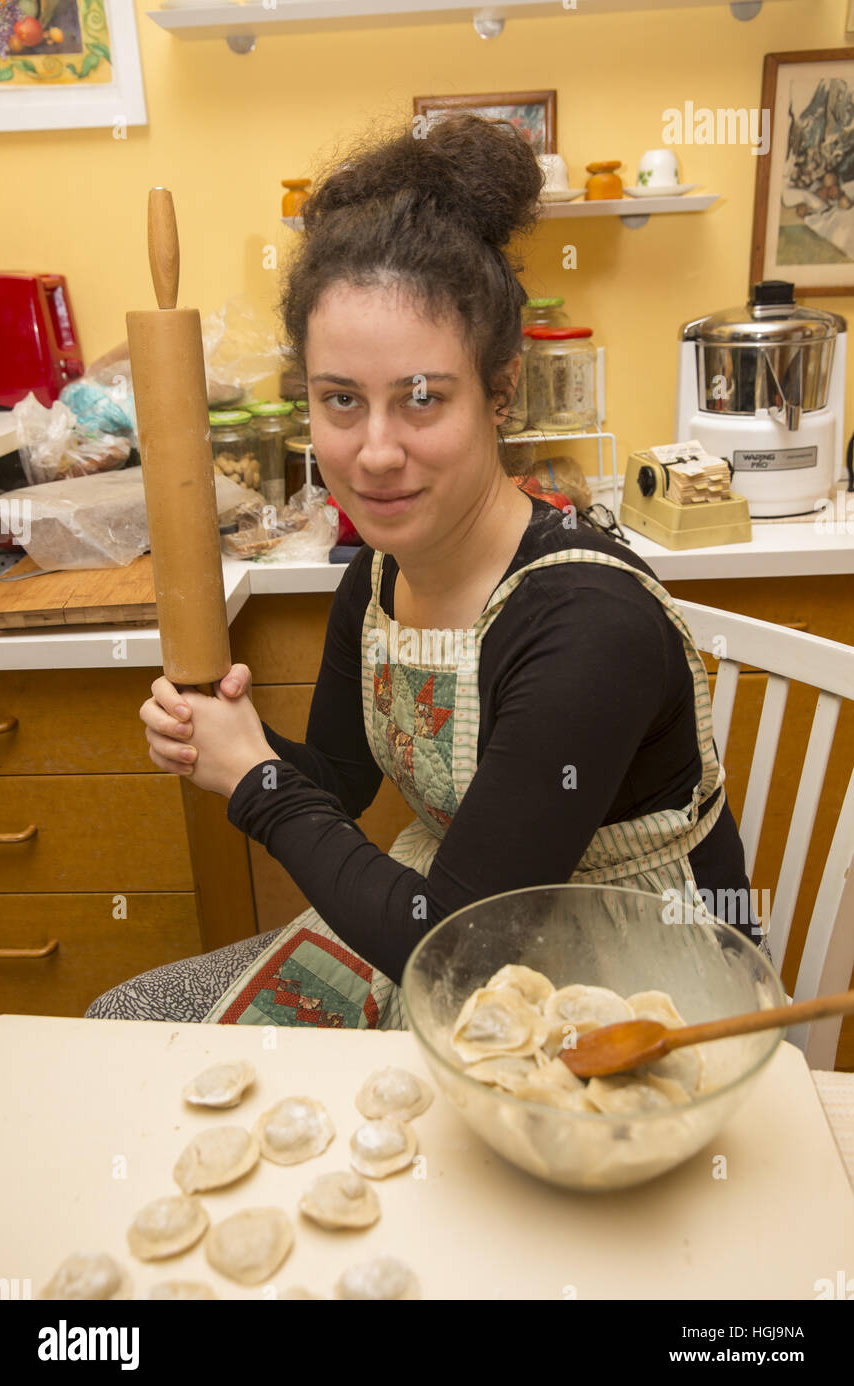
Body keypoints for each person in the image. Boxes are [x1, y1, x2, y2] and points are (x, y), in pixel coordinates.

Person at [85, 114, 765, 1028]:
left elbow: (455, 936)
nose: (373, 453)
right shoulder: (379, 573)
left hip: (633, 970)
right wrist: (235, 738)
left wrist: (257, 783)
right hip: (444, 924)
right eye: (339, 401)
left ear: (500, 390)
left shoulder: (588, 626)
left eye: (421, 399)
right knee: (127, 1019)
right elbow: (335, 780)